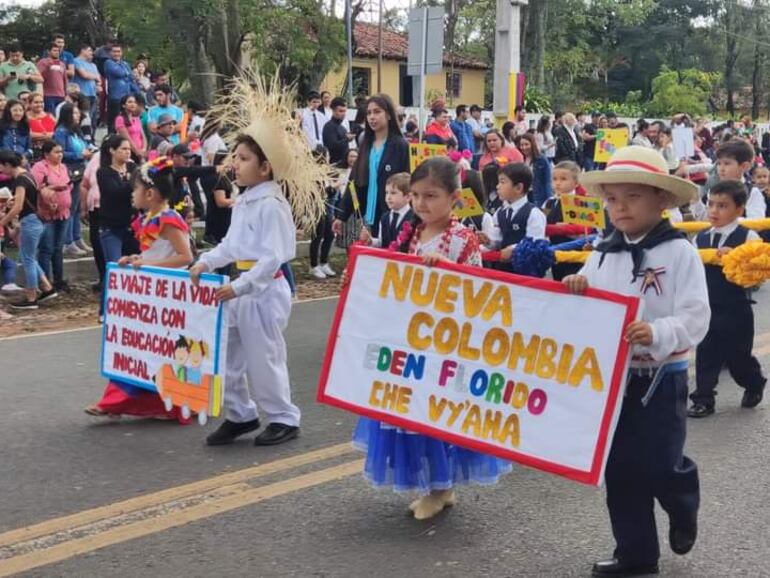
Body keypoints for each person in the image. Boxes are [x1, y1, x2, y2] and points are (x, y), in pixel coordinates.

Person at [567, 145, 708, 577]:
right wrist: (577, 284)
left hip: (662, 378)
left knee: (660, 463)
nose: (620, 207)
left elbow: (696, 316)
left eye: (632, 196)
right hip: (614, 379)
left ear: (661, 200)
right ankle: (636, 554)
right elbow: (590, 296)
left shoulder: (679, 253)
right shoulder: (604, 251)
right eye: (612, 199)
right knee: (621, 469)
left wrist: (659, 332)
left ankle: (681, 498)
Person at [351, 156, 511, 520]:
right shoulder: (410, 233)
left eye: (432, 196)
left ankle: (440, 488)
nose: (422, 204)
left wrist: (449, 274)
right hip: (410, 339)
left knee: (437, 416)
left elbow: (478, 292)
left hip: (445, 342)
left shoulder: (461, 239)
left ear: (454, 198)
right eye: (417, 195)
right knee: (411, 413)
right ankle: (433, 485)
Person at [191, 71, 332, 447]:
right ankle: (241, 413)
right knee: (228, 355)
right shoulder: (246, 200)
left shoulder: (270, 204)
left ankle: (284, 417)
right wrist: (205, 262)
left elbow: (272, 259)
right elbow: (232, 246)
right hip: (239, 290)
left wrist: (238, 286)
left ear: (265, 167)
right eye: (234, 157)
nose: (234, 164)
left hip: (262, 290)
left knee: (263, 357)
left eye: (243, 158)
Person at [85, 158, 194, 420]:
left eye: (134, 189)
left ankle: (119, 402)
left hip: (169, 296)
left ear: (150, 193)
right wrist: (135, 260)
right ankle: (118, 401)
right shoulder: (151, 218)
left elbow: (185, 257)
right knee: (137, 346)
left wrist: (146, 264)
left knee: (150, 349)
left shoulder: (168, 219)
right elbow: (155, 254)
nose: (131, 194)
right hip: (152, 293)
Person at [688, 180, 766, 418]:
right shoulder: (700, 238)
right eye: (710, 204)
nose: (713, 211)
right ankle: (703, 398)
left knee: (738, 358)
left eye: (722, 206)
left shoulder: (748, 236)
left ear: (739, 210)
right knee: (706, 354)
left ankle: (754, 382)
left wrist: (737, 258)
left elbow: (757, 275)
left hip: (736, 308)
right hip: (708, 306)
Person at [334, 94, 410, 239]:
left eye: (377, 111)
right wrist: (341, 216)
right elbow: (354, 183)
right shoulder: (365, 144)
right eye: (368, 113)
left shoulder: (400, 145)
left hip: (389, 218)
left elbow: (405, 183)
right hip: (365, 219)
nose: (372, 117)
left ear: (388, 115)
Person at [0, 151, 58, 309]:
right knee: (30, 257)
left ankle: (31, 296)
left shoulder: (20, 180)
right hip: (34, 220)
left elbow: (18, 206)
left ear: (7, 164)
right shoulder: (27, 175)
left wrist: (3, 221)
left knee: (28, 259)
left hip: (29, 221)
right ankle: (47, 287)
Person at [97, 135, 137, 318]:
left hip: (133, 226)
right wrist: (132, 182)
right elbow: (115, 192)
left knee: (136, 265)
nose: (127, 152)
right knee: (114, 267)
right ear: (112, 151)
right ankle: (105, 310)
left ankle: (131, 306)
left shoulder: (133, 168)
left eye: (129, 149)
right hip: (111, 227)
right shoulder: (104, 172)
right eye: (123, 149)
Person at [489, 162, 547, 274]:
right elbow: (496, 240)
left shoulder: (534, 213)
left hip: (525, 272)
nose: (498, 186)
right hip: (503, 269)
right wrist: (487, 241)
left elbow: (535, 242)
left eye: (502, 182)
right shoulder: (499, 212)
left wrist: (514, 249)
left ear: (518, 188)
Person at [32, 141, 72, 292]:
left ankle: (59, 279)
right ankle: (45, 282)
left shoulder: (63, 167)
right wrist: (55, 188)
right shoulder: (40, 167)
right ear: (46, 154)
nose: (60, 154)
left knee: (58, 248)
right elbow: (37, 187)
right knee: (46, 248)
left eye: (61, 151)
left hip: (63, 213)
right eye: (56, 152)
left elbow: (68, 184)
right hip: (47, 213)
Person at [54, 103, 93, 258]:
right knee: (70, 207)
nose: (78, 116)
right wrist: (80, 155)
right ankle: (68, 241)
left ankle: (77, 237)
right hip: (69, 170)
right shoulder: (61, 132)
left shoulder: (76, 131)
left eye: (78, 113)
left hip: (80, 169)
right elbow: (62, 152)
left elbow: (86, 144)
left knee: (76, 207)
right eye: (74, 113)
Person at [542, 161, 589, 281]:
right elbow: (543, 221)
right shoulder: (549, 202)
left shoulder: (580, 202)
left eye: (563, 179)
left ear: (576, 182)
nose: (558, 183)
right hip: (554, 251)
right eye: (554, 179)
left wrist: (566, 229)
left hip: (574, 255)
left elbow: (586, 232)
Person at [359, 172, 412, 249]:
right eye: (386, 193)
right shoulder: (385, 217)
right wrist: (370, 240)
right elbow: (382, 242)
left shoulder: (414, 218)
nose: (388, 197)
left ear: (408, 197)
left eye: (393, 193)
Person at [715, 139, 765, 219]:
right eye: (719, 163)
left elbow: (755, 223)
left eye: (727, 163)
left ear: (744, 166)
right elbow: (706, 221)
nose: (721, 168)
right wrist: (695, 201)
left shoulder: (752, 192)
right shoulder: (714, 191)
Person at [104, 44, 137, 133]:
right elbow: (119, 73)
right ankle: (111, 141)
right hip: (115, 97)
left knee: (126, 121)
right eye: (114, 51)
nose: (116, 54)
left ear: (121, 53)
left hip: (127, 97)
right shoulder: (108, 62)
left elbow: (131, 78)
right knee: (114, 122)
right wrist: (128, 74)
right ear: (110, 53)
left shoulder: (125, 64)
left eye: (118, 51)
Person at [514, 132, 552, 206]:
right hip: (524, 195)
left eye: (526, 144)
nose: (524, 147)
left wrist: (549, 199)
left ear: (532, 144)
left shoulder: (541, 159)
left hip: (538, 195)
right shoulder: (520, 158)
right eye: (522, 145)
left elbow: (547, 181)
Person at [73, 45, 101, 127]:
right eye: (89, 50)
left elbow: (98, 79)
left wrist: (98, 84)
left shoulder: (93, 65)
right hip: (82, 95)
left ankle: (91, 138)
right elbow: (84, 75)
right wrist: (94, 76)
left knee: (93, 119)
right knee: (84, 118)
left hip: (93, 94)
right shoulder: (76, 61)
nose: (92, 53)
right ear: (83, 50)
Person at [36, 44, 68, 114]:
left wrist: (66, 94)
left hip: (61, 95)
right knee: (51, 115)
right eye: (54, 50)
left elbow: (65, 80)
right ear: (49, 52)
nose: (57, 52)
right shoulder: (43, 62)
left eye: (58, 51)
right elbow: (37, 74)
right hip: (48, 95)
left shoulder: (62, 64)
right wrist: (47, 65)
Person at [322, 96, 353, 166]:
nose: (343, 114)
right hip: (334, 166)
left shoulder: (342, 128)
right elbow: (331, 146)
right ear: (333, 111)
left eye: (344, 111)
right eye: (340, 111)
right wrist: (347, 139)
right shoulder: (329, 127)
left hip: (343, 165)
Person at [115, 94, 146, 161]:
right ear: (123, 105)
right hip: (129, 153)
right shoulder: (120, 119)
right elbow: (127, 138)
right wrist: (137, 152)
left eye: (134, 102)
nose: (133, 104)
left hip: (141, 152)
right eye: (130, 102)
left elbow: (143, 136)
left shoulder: (137, 118)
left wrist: (144, 149)